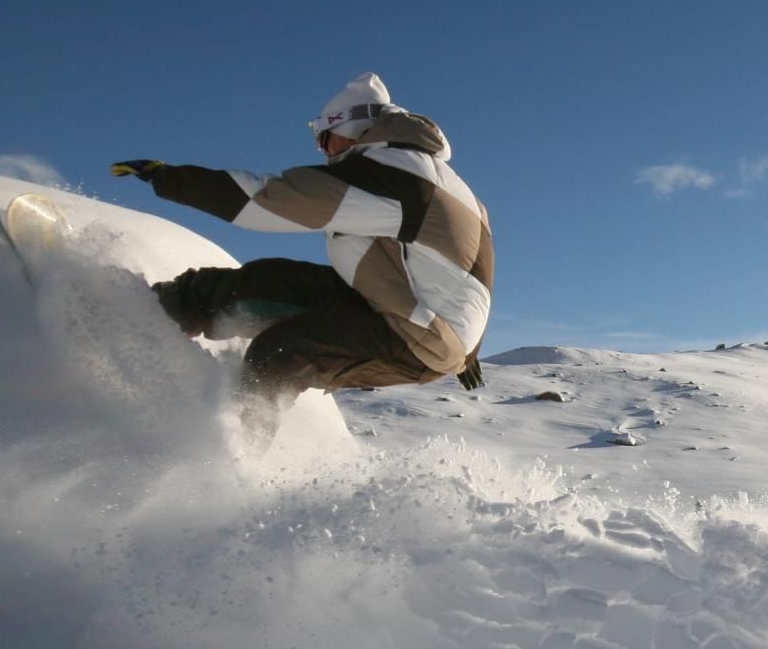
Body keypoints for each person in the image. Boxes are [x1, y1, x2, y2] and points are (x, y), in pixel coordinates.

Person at [111, 73, 492, 434]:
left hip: (414, 333)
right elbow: (460, 271)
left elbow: (266, 201)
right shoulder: (431, 177)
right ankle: (133, 317)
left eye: (323, 136)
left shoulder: (391, 176)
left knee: (280, 353)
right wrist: (465, 348)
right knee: (262, 283)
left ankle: (230, 470)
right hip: (402, 310)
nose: (322, 149)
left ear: (350, 127)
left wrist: (168, 177)